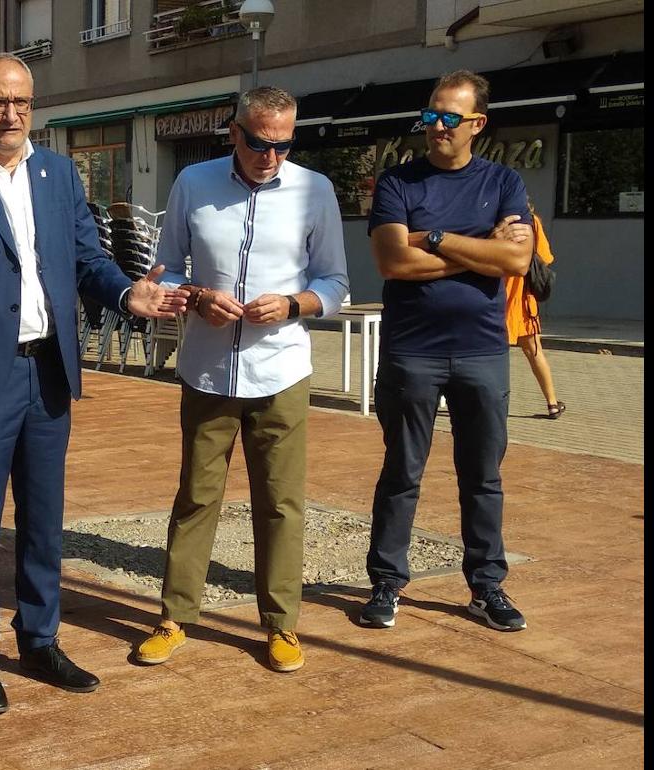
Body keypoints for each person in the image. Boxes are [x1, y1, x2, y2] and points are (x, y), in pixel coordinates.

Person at [0, 52, 187, 716]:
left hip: (49, 368)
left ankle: (39, 639)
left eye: (23, 103)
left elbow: (88, 260)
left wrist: (129, 296)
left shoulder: (58, 172)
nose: (12, 114)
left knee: (43, 517)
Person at [132, 87, 349, 673]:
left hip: (281, 371)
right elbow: (165, 269)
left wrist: (296, 304)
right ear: (234, 132)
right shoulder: (192, 184)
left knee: (280, 502)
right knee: (197, 496)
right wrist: (196, 295)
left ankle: (281, 625)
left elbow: (335, 282)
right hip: (206, 369)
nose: (270, 156)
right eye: (258, 142)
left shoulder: (315, 191)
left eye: (282, 144)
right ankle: (175, 616)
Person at [361, 70, 533, 633]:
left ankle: (487, 587)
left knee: (482, 476)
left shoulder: (503, 182)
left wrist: (431, 238)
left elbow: (516, 264)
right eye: (431, 115)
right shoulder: (398, 182)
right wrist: (481, 248)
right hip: (413, 352)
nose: (436, 126)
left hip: (483, 351)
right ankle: (387, 583)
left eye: (449, 118)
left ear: (477, 125)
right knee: (401, 472)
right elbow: (391, 262)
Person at [504, 199, 564, 419]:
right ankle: (552, 403)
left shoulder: (492, 223)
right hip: (522, 300)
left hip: (492, 298)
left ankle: (476, 403)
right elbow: (545, 259)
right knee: (534, 351)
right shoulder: (532, 223)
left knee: (483, 354)